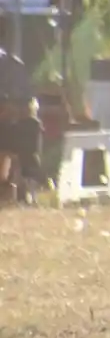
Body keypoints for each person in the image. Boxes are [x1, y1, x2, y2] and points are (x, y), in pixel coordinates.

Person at [0, 16, 41, 205]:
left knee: (30, 125)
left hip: (10, 125)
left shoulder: (13, 66)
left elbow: (27, 101)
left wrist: (16, 110)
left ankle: (23, 183)